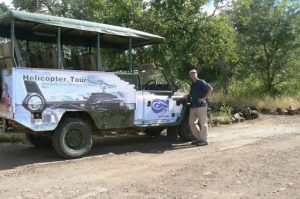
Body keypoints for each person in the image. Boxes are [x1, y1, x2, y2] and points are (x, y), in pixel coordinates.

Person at [184, 69, 213, 146]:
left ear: (197, 74)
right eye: (191, 73)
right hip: (193, 106)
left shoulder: (201, 82)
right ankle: (199, 139)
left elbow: (210, 89)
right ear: (190, 75)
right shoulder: (192, 84)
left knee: (203, 123)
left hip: (201, 106)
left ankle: (204, 140)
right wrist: (187, 95)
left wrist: (204, 98)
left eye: (194, 73)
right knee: (191, 123)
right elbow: (191, 93)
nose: (193, 74)